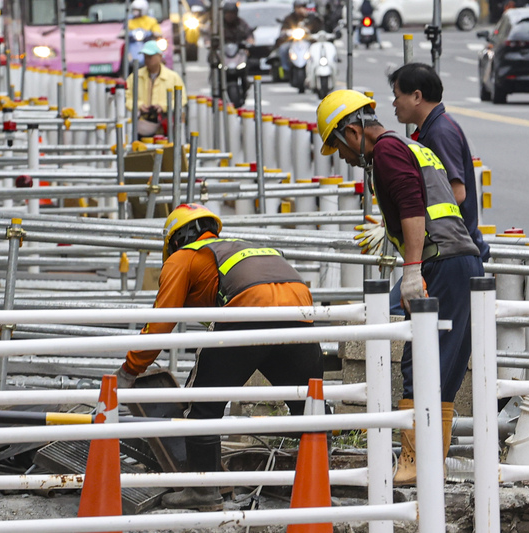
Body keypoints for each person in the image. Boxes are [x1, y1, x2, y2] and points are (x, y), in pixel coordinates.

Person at [316, 90, 484, 486]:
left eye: (340, 148)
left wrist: (411, 269)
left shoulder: (387, 153)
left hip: (440, 263)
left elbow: (411, 204)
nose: (344, 158)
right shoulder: (409, 146)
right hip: (458, 260)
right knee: (440, 364)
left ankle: (415, 462)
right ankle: (428, 462)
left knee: (423, 361)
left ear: (352, 131)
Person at [114, 203, 324, 511]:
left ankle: (203, 492)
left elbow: (160, 323)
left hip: (248, 309)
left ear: (175, 239)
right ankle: (319, 484)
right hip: (299, 310)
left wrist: (130, 369)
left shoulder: (183, 257)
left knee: (203, 405)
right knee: (310, 404)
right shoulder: (239, 249)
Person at [388, 62, 490, 264]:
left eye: (397, 96)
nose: (394, 103)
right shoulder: (433, 129)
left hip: (453, 252)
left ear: (417, 97)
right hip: (447, 248)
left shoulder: (440, 133)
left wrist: (413, 220)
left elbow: (457, 194)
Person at [125, 40, 187, 137]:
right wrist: (139, 105)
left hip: (165, 127)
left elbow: (182, 100)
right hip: (142, 125)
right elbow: (126, 98)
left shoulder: (173, 77)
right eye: (145, 56)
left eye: (150, 56)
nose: (147, 60)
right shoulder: (135, 77)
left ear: (160, 56)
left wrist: (163, 106)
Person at [276, 0, 323, 78]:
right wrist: (287, 32)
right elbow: (283, 29)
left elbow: (318, 27)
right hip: (293, 42)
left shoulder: (312, 18)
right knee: (283, 49)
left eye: (303, 7)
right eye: (298, 7)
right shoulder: (290, 18)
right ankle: (286, 69)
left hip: (308, 41)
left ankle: (318, 67)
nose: (301, 9)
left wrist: (310, 31)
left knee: (317, 49)